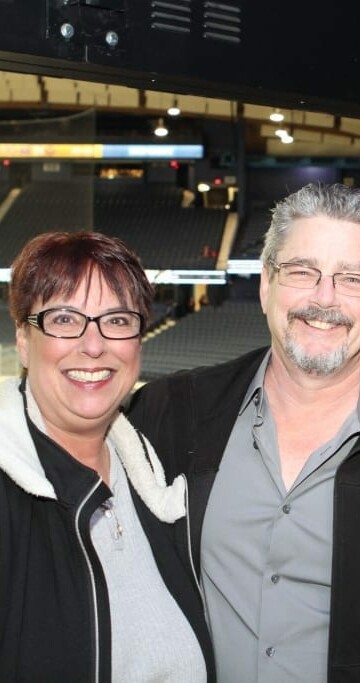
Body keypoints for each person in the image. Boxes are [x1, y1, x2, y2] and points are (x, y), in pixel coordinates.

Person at [127, 182, 360, 683]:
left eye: (352, 279)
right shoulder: (172, 412)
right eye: (302, 271)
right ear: (266, 284)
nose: (323, 298)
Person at [0, 231, 215, 682]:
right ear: (23, 338)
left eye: (116, 320)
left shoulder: (155, 478)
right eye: (64, 319)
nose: (93, 345)